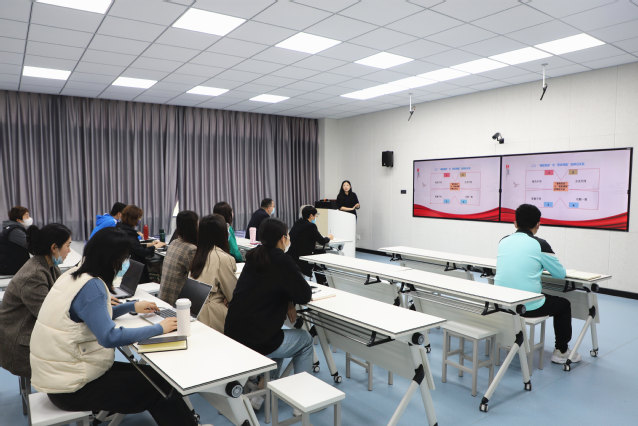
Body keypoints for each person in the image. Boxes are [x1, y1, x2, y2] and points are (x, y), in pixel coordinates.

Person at [29, 228, 199, 426]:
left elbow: (91, 314)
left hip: (61, 376)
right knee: (160, 389)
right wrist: (159, 328)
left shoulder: (73, 275)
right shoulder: (92, 286)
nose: (125, 263)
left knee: (156, 377)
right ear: (111, 259)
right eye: (124, 258)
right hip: (72, 387)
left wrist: (131, 307)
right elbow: (109, 337)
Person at [225, 218, 313, 379]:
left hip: (234, 332)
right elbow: (305, 295)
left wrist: (288, 302)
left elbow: (271, 285)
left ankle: (265, 387)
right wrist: (290, 299)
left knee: (278, 332)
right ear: (282, 239)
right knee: (305, 340)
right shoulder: (282, 260)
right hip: (257, 340)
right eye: (287, 235)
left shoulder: (254, 256)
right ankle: (304, 389)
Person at [494, 203, 581, 365]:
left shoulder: (503, 241)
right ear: (538, 225)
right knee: (563, 305)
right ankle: (561, 351)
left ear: (515, 223)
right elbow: (560, 274)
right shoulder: (540, 244)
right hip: (527, 307)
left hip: (502, 303)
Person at [0, 223, 72, 378]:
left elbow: (64, 292)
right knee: (76, 356)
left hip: (30, 330)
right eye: (68, 245)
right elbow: (48, 315)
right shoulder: (34, 274)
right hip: (20, 345)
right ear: (54, 247)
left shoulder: (49, 265)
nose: (69, 250)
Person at [190, 214, 237, 333]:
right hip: (212, 317)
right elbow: (234, 296)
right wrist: (226, 298)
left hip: (195, 313)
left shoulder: (199, 254)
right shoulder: (223, 258)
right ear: (222, 234)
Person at [116, 205, 165, 283]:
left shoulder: (120, 228)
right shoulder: (129, 233)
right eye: (139, 218)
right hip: (133, 267)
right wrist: (155, 246)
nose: (139, 220)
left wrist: (151, 244)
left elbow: (134, 246)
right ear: (133, 218)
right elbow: (141, 252)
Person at [159, 210, 198, 305]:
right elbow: (198, 277)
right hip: (178, 302)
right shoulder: (191, 249)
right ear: (193, 227)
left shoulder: (173, 242)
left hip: (163, 297)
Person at [288, 205, 333, 283]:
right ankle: (322, 280)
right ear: (311, 216)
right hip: (304, 255)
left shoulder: (298, 222)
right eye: (315, 216)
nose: (315, 218)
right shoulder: (311, 226)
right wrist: (329, 238)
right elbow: (322, 241)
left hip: (293, 253)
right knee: (322, 253)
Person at [0, 206, 32, 274]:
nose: (29, 218)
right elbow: (30, 244)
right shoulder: (15, 231)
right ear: (18, 219)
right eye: (26, 216)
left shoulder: (12, 228)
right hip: (12, 268)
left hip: (13, 266)